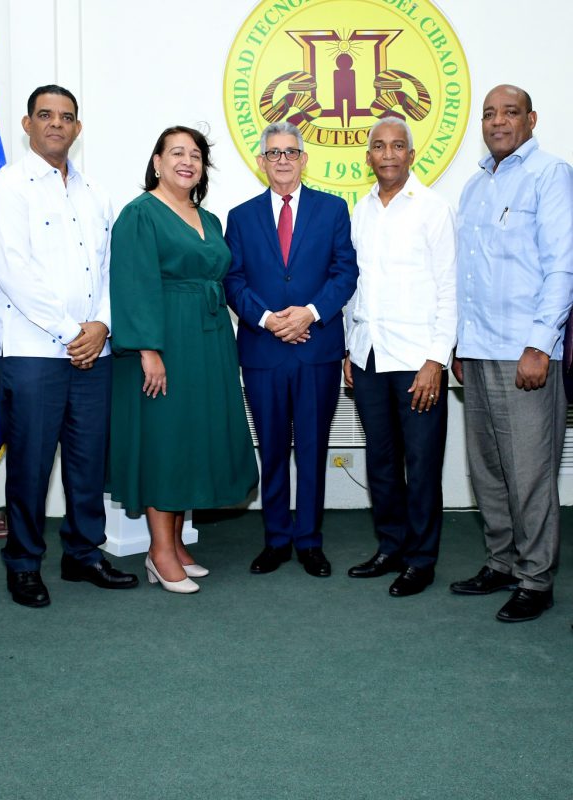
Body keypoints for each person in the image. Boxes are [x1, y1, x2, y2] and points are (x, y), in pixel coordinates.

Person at [0, 84, 138, 608]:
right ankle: (24, 564)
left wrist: (104, 325)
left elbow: (112, 268)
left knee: (88, 462)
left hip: (93, 351)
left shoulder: (95, 192)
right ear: (27, 124)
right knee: (30, 465)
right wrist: (74, 332)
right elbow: (14, 272)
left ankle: (83, 555)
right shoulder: (6, 188)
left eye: (66, 117)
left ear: (77, 128)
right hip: (32, 352)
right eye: (45, 115)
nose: (56, 124)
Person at [108, 126, 258, 594]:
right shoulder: (139, 214)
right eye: (177, 153)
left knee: (192, 437)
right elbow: (132, 283)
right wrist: (147, 350)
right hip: (164, 341)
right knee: (166, 441)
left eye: (195, 155)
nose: (187, 161)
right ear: (157, 162)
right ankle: (159, 552)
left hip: (208, 341)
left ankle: (174, 542)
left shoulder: (207, 218)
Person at [450, 84, 573, 622]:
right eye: (489, 114)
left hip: (526, 353)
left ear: (531, 119)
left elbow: (562, 267)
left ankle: (535, 578)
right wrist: (459, 342)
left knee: (531, 473)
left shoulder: (551, 174)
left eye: (510, 112)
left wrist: (540, 344)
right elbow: (467, 275)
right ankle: (501, 563)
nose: (498, 121)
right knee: (489, 470)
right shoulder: (475, 186)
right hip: (478, 350)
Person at [224, 121, 358, 577]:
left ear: (304, 159)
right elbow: (233, 280)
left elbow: (345, 272)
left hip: (317, 350)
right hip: (264, 351)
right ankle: (277, 539)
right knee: (273, 448)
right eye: (274, 153)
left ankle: (310, 541)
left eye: (290, 152)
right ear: (261, 162)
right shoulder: (240, 217)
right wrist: (269, 320)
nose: (282, 160)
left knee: (313, 449)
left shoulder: (333, 209)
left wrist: (310, 314)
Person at [344, 117, 457, 597]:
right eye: (379, 146)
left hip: (417, 361)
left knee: (422, 463)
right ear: (368, 156)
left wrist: (436, 360)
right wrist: (349, 347)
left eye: (397, 146)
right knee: (382, 461)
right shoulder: (360, 211)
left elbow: (449, 289)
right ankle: (390, 547)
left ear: (411, 155)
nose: (387, 154)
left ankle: (421, 560)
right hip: (368, 356)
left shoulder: (433, 208)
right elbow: (354, 286)